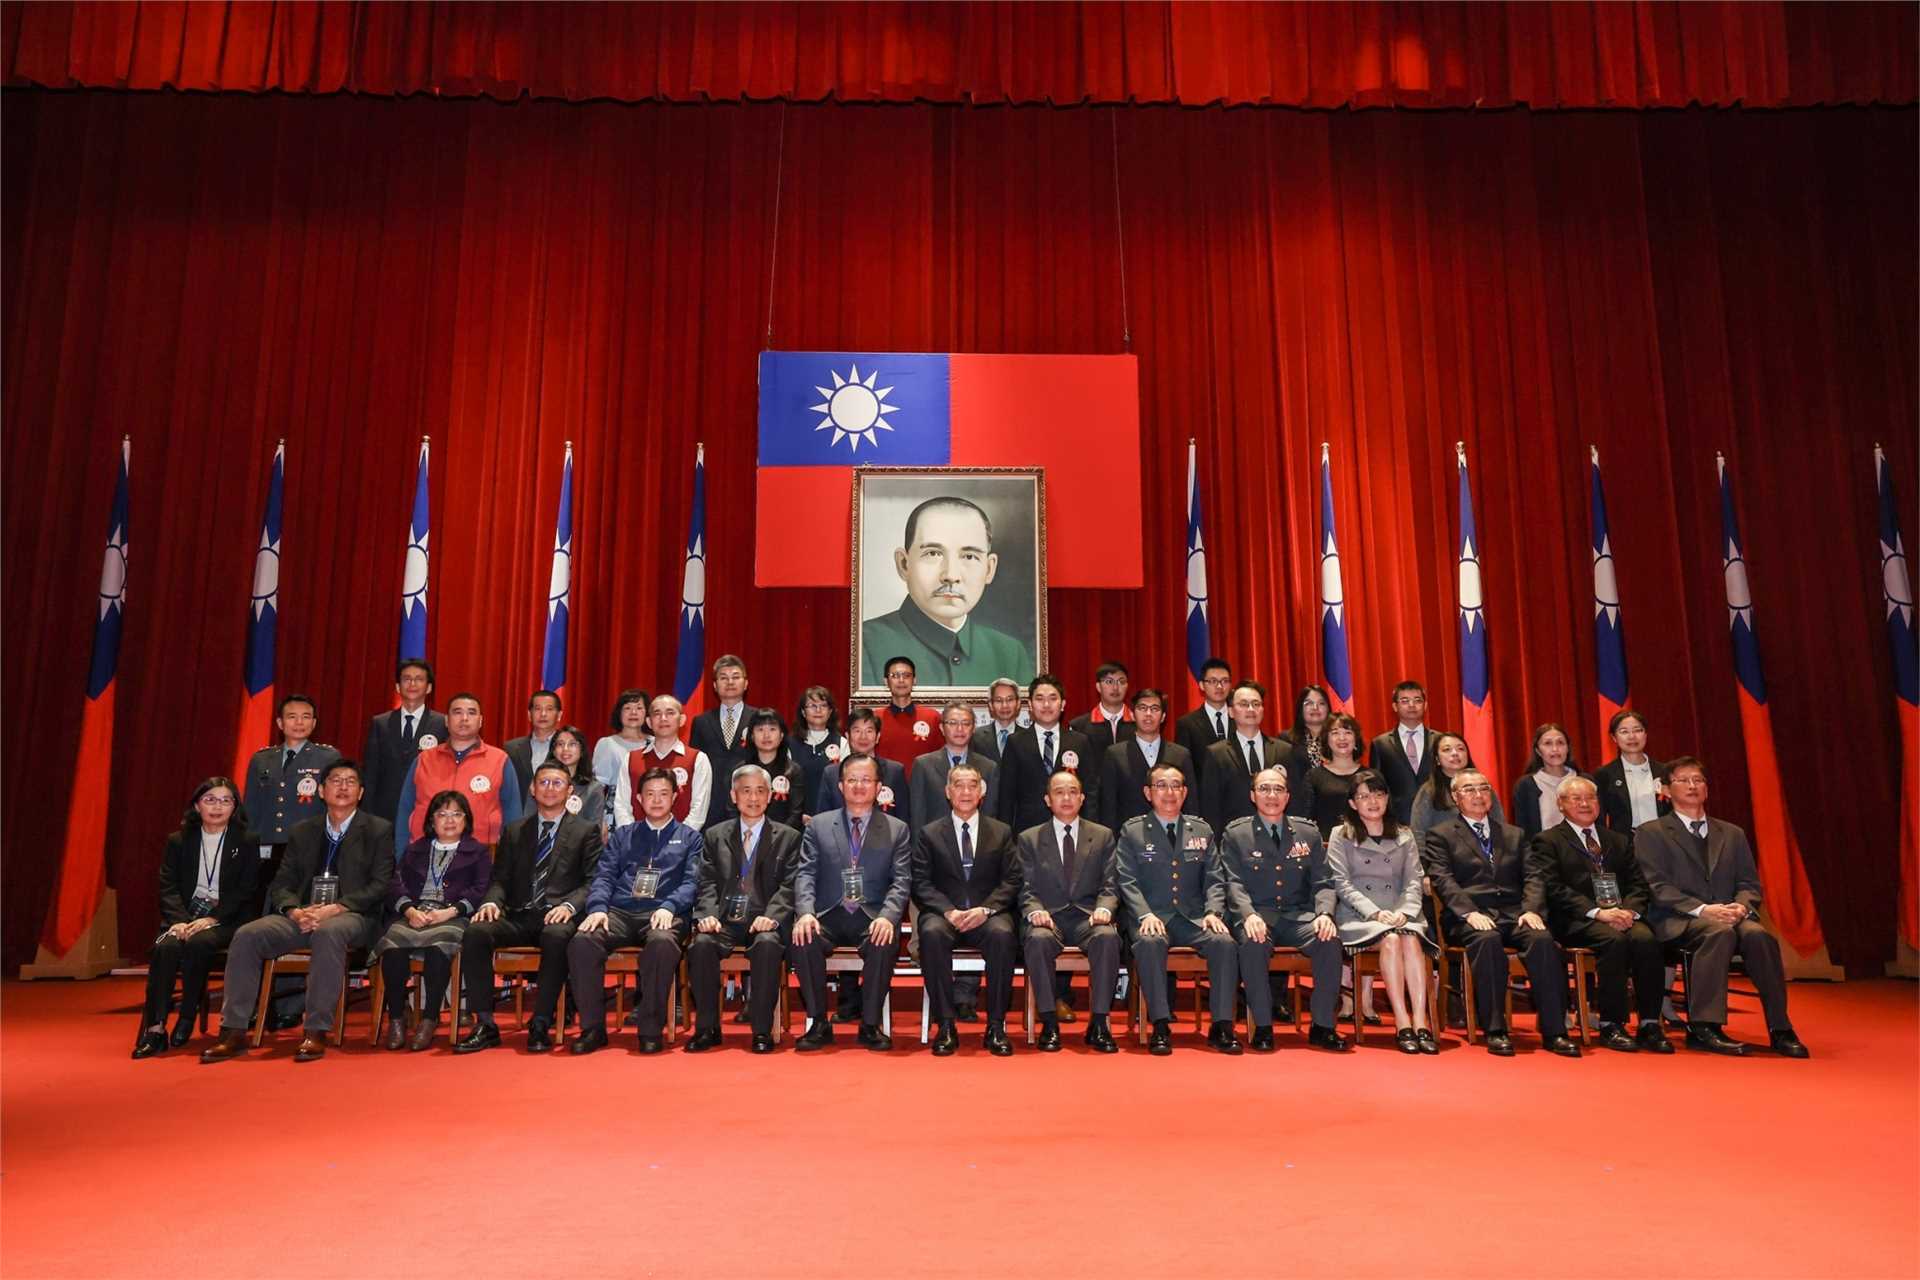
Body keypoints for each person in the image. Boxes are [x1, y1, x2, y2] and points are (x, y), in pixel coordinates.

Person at [201, 760, 394, 1063]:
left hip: (352, 916)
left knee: (329, 933)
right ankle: (234, 1029)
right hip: (302, 916)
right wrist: (293, 911)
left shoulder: (378, 830)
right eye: (335, 781)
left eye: (350, 782)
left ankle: (316, 1029)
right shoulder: (303, 831)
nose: (343, 787)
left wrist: (337, 908)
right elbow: (281, 883)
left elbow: (381, 884)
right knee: (249, 934)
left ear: (361, 792)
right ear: (321, 790)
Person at [1633, 757, 1807, 1057]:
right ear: (1665, 790)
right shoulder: (1652, 833)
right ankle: (1705, 1026)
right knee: (1718, 934)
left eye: (1698, 780)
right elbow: (1657, 887)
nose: (1692, 786)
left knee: (1758, 936)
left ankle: (1780, 1027)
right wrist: (1703, 910)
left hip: (1730, 915)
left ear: (1707, 789)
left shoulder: (1731, 833)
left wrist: (1741, 907)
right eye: (1683, 780)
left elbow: (1749, 884)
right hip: (1678, 920)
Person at [1422, 769, 1580, 1056]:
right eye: (1469, 790)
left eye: (1483, 788)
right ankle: (1495, 1030)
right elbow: (1443, 880)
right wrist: (1469, 912)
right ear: (1456, 798)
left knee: (1543, 939)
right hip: (1469, 917)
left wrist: (1532, 910)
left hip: (1513, 913)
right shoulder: (1440, 835)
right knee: (1487, 940)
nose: (1478, 795)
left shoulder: (1514, 834)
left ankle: (1555, 1031)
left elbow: (1534, 876)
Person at [455, 760, 603, 1054]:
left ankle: (540, 1022)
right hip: (518, 913)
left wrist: (570, 907)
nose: (550, 789)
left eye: (557, 783)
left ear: (570, 790)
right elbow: (500, 879)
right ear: (533, 789)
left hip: (556, 914)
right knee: (476, 932)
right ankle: (485, 1023)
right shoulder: (515, 831)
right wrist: (491, 902)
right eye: (544, 783)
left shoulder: (586, 831)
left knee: (557, 936)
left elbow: (592, 881)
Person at [1528, 776, 1672, 1054]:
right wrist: (1598, 913)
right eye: (1576, 798)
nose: (1585, 804)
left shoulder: (1616, 840)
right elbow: (1554, 889)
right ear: (1561, 804)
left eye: (1590, 798)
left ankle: (1650, 1023)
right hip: (1575, 919)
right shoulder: (1547, 841)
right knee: (1613, 941)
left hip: (1622, 914)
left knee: (1647, 940)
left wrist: (1629, 910)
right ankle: (1611, 1023)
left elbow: (1638, 883)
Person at [568, 768, 703, 1054]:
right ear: (638, 799)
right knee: (583, 941)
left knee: (662, 942)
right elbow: (604, 876)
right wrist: (597, 908)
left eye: (664, 794)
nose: (656, 800)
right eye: (650, 794)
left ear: (675, 798)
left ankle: (650, 1028)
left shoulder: (690, 838)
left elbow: (693, 883)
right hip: (620, 912)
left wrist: (669, 906)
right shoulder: (623, 836)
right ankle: (592, 1029)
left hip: (664, 912)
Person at [1215, 769, 1349, 1052]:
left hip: (1298, 916)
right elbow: (1232, 883)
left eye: (1278, 790)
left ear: (1288, 797)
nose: (1271, 796)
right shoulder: (1236, 833)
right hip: (1256, 916)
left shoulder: (1307, 832)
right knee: (1253, 943)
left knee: (1329, 941)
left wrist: (1324, 914)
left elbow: (1323, 882)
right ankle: (1263, 1026)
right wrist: (1248, 914)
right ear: (1253, 796)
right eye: (1264, 789)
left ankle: (1323, 1026)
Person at [791, 754, 912, 1051]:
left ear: (878, 786)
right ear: (841, 785)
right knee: (803, 937)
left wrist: (888, 916)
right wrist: (805, 913)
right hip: (828, 913)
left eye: (866, 780)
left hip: (871, 914)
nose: (859, 786)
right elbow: (805, 873)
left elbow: (901, 881)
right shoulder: (818, 826)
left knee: (885, 939)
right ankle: (818, 1022)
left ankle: (870, 1025)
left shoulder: (897, 829)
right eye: (852, 780)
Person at [133, 777, 261, 1058]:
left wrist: (214, 917)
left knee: (200, 943)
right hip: (184, 916)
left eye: (226, 800)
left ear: (235, 807)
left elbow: (247, 889)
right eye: (210, 800)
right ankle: (155, 1030)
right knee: (165, 948)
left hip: (227, 918)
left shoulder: (247, 841)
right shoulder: (179, 841)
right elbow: (167, 885)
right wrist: (179, 920)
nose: (217, 806)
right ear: (196, 805)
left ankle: (187, 1016)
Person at [1116, 764, 1238, 1055]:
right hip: (1151, 916)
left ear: (1184, 793)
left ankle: (1221, 1024)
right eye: (1161, 785)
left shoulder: (1201, 829)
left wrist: (1213, 912)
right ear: (1148, 793)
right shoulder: (1132, 831)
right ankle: (1160, 1023)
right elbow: (1126, 880)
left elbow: (1214, 879)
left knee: (1224, 943)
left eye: (1175, 786)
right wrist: (1144, 914)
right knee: (1149, 944)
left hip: (1193, 917)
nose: (1169, 793)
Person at [686, 764, 803, 1053]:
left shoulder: (788, 837)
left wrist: (772, 918)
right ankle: (707, 1028)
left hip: (763, 919)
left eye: (760, 791)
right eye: (746, 791)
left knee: (766, 946)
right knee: (701, 945)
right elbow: (707, 882)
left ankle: (761, 1031)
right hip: (724, 919)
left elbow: (790, 885)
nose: (753, 798)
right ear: (733, 796)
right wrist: (708, 915)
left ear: (770, 796)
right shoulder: (715, 835)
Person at [859, 495, 1035, 687]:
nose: (951, 575)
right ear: (903, 564)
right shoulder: (865, 643)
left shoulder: (1010, 653)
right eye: (933, 553)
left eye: (969, 556)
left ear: (989, 569)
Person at [1327, 769, 1437, 1054]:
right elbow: (1340, 883)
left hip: (1402, 912)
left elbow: (1414, 879)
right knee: (1390, 939)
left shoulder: (1404, 834)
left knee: (1410, 938)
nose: (1372, 801)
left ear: (1387, 798)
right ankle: (1402, 1022)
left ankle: (1421, 1022)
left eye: (1378, 794)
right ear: (1353, 803)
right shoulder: (1341, 834)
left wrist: (1405, 911)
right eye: (1364, 796)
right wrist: (1375, 913)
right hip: (1360, 916)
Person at [912, 763, 1018, 1056]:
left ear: (982, 792)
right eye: (959, 785)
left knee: (1003, 935)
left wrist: (986, 910)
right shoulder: (929, 833)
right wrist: (949, 911)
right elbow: (920, 883)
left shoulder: (1001, 831)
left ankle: (995, 1026)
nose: (966, 791)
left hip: (987, 915)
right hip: (946, 915)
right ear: (948, 792)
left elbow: (1012, 880)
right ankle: (946, 1024)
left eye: (973, 785)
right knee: (931, 933)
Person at [375, 789, 490, 1051]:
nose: (449, 820)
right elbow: (395, 884)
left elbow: (481, 888)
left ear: (466, 820)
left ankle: (429, 1019)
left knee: (439, 946)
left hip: (452, 914)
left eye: (457, 814)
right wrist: (408, 910)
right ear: (431, 820)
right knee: (392, 946)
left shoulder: (478, 851)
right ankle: (396, 1018)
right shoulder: (415, 850)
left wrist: (450, 912)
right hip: (414, 913)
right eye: (442, 814)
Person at [1016, 771, 1121, 1053]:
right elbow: (1024, 888)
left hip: (1088, 917)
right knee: (1037, 939)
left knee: (1107, 938)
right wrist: (1035, 910)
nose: (1066, 798)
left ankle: (1099, 1022)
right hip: (1049, 918)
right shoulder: (1030, 839)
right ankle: (1049, 1022)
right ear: (1047, 800)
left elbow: (1111, 885)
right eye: (1059, 792)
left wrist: (1104, 908)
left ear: (1082, 798)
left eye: (1073, 791)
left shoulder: (1102, 836)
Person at [395, 693, 522, 855]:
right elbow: (405, 811)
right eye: (457, 712)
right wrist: (401, 857)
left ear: (481, 721)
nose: (464, 718)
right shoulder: (424, 759)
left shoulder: (500, 760)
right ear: (447, 721)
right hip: (423, 855)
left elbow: (513, 817)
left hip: (479, 860)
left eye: (471, 712)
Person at [996, 673, 1099, 834]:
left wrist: (1090, 833)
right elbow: (1006, 797)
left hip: (1072, 830)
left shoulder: (1080, 742)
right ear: (1030, 704)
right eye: (1039, 699)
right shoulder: (1015, 743)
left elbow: (1090, 793)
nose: (1046, 704)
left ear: (1063, 704)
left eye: (1052, 698)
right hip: (1028, 833)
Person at [243, 693, 341, 859]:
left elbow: (335, 806)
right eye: (292, 717)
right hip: (266, 846)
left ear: (314, 723)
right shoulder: (261, 759)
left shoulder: (327, 757)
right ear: (280, 723)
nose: (299, 723)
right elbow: (250, 808)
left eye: (306, 717)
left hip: (308, 846)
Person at [1201, 680, 1307, 828]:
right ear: (1230, 711)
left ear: (1263, 710)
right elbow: (1211, 807)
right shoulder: (1216, 753)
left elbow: (1294, 800)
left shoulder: (1284, 750)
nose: (1251, 709)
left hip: (1278, 836)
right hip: (1234, 839)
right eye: (1244, 704)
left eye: (1256, 704)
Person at [1097, 687, 1197, 829]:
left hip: (1172, 835)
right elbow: (1108, 806)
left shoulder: (1181, 755)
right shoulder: (1115, 754)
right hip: (1129, 839)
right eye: (1142, 708)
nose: (1148, 714)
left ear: (1163, 717)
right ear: (1132, 714)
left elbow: (1190, 804)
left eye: (1154, 709)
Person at [361, 659, 447, 825]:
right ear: (398, 687)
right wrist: (367, 815)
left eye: (419, 679)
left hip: (426, 809)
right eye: (406, 679)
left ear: (429, 688)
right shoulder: (380, 723)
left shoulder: (442, 724)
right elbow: (370, 773)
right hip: (384, 812)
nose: (412, 683)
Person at [612, 694, 712, 831]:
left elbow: (698, 810)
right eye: (657, 713)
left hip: (682, 845)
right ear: (648, 722)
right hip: (637, 843)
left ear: (682, 720)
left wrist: (680, 840)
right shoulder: (631, 759)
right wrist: (632, 836)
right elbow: (621, 805)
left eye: (670, 713)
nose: (663, 718)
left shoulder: (698, 759)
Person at [689, 654, 759, 826]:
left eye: (735, 677)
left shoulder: (759, 719)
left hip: (749, 801)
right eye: (723, 678)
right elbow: (695, 766)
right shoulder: (701, 722)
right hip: (710, 803)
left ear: (746, 683)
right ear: (715, 685)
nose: (730, 682)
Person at [908, 701, 1000, 825]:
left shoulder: (988, 767)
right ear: (942, 728)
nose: (960, 729)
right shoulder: (923, 765)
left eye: (966, 723)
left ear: (973, 728)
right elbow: (917, 815)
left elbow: (990, 816)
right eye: (953, 723)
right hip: (934, 841)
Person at [814, 708, 909, 824]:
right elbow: (822, 819)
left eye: (869, 731)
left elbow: (903, 818)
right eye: (857, 731)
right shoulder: (831, 773)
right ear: (847, 736)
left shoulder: (894, 771)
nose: (863, 737)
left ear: (878, 736)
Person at [1409, 732, 1507, 837]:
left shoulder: (1482, 786)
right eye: (1447, 750)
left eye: (1460, 749)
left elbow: (1500, 823)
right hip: (1442, 851)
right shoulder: (1429, 791)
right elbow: (1418, 832)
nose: (1455, 753)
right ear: (1437, 759)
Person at [1369, 681, 1437, 824]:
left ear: (1425, 705)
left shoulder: (1441, 741)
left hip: (1437, 818)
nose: (1412, 705)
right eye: (1405, 701)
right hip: (1397, 822)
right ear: (1395, 706)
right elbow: (1377, 786)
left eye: (1417, 700)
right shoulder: (1380, 744)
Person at [1591, 708, 1669, 834]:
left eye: (1638, 730)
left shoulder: (1664, 771)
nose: (1632, 736)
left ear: (1645, 734)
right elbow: (1599, 818)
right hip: (1625, 845)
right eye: (1624, 732)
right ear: (1614, 737)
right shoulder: (1604, 774)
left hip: (1664, 840)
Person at [1510, 722, 1584, 840]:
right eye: (1548, 743)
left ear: (1568, 748)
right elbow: (1523, 833)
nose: (1555, 749)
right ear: (1538, 751)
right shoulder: (1525, 786)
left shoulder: (1584, 781)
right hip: (1543, 854)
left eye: (1560, 743)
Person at [743, 708, 809, 829]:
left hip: (783, 840)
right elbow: (732, 810)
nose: (766, 735)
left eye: (772, 729)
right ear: (752, 736)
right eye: (760, 729)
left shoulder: (793, 771)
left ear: (781, 735)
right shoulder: (741, 771)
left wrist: (778, 838)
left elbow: (795, 814)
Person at [873, 656, 944, 768]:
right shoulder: (874, 718)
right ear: (886, 682)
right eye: (895, 676)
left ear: (914, 680)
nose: (901, 680)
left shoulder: (932, 717)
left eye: (906, 675)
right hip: (885, 784)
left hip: (923, 784)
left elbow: (942, 757)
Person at [788, 686, 847, 815]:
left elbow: (845, 784)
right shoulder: (789, 744)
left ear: (830, 711)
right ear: (803, 712)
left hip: (832, 816)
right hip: (798, 816)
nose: (818, 710)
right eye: (812, 705)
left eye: (823, 705)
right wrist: (799, 815)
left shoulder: (842, 743)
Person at [1307, 713, 1366, 838]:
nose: (1342, 738)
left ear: (1356, 739)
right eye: (1335, 733)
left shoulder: (1370, 776)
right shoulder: (1313, 777)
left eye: (1348, 732)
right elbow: (1304, 821)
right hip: (1326, 848)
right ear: (1326, 740)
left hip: (1366, 848)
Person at [1174, 657, 1235, 771]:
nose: (1219, 686)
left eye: (1224, 681)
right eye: (1213, 681)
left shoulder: (1240, 719)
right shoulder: (1187, 724)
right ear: (1201, 685)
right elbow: (1183, 767)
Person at [591, 688, 652, 795]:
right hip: (616, 806)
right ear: (619, 713)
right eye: (627, 708)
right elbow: (598, 785)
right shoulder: (607, 744)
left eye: (639, 708)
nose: (633, 712)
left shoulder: (655, 743)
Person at [503, 689, 563, 798]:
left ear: (559, 715)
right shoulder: (511, 749)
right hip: (521, 813)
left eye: (549, 709)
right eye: (537, 709)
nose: (543, 714)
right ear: (529, 715)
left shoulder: (567, 749)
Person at [546, 724, 606, 830]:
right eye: (560, 744)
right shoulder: (541, 782)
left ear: (582, 750)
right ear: (553, 751)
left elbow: (594, 831)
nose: (565, 749)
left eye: (572, 744)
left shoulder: (593, 789)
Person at [1068, 662, 1135, 748]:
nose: (1115, 687)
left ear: (1127, 686)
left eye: (1121, 682)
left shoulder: (1139, 723)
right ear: (1098, 687)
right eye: (1109, 682)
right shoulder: (1079, 727)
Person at [969, 677, 1024, 763]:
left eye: (1010, 700)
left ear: (1018, 703)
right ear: (991, 704)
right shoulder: (975, 737)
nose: (1004, 705)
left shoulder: (1029, 738)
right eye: (999, 700)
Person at [1279, 684, 1333, 770]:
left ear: (1328, 708)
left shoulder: (1336, 738)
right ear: (1300, 708)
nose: (1315, 708)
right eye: (1309, 703)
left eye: (1321, 703)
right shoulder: (1286, 739)